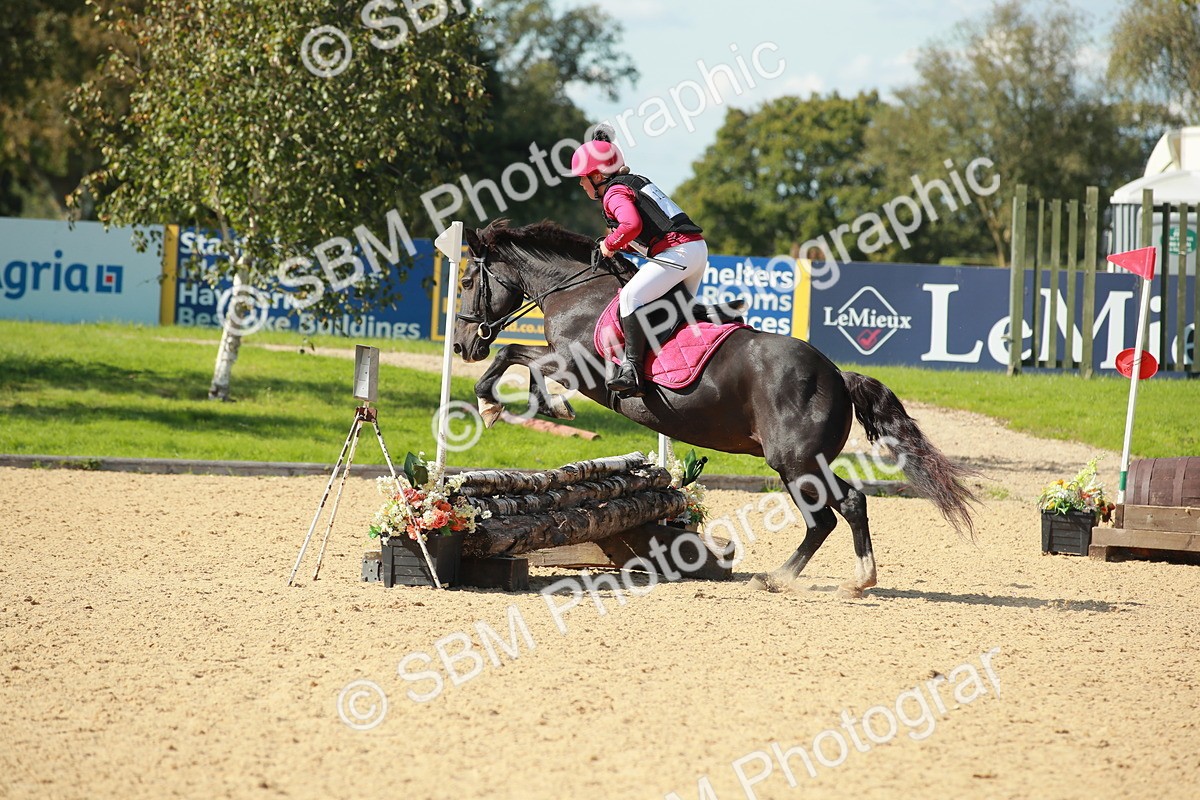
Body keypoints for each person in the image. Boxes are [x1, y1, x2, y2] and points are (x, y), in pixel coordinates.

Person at [569, 126, 708, 397]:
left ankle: (632, 372)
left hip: (677, 253)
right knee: (670, 312)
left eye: (583, 178)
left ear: (597, 175)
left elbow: (630, 225)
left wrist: (609, 245)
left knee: (630, 298)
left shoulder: (613, 193)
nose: (581, 183)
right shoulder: (634, 182)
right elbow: (643, 232)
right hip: (694, 251)